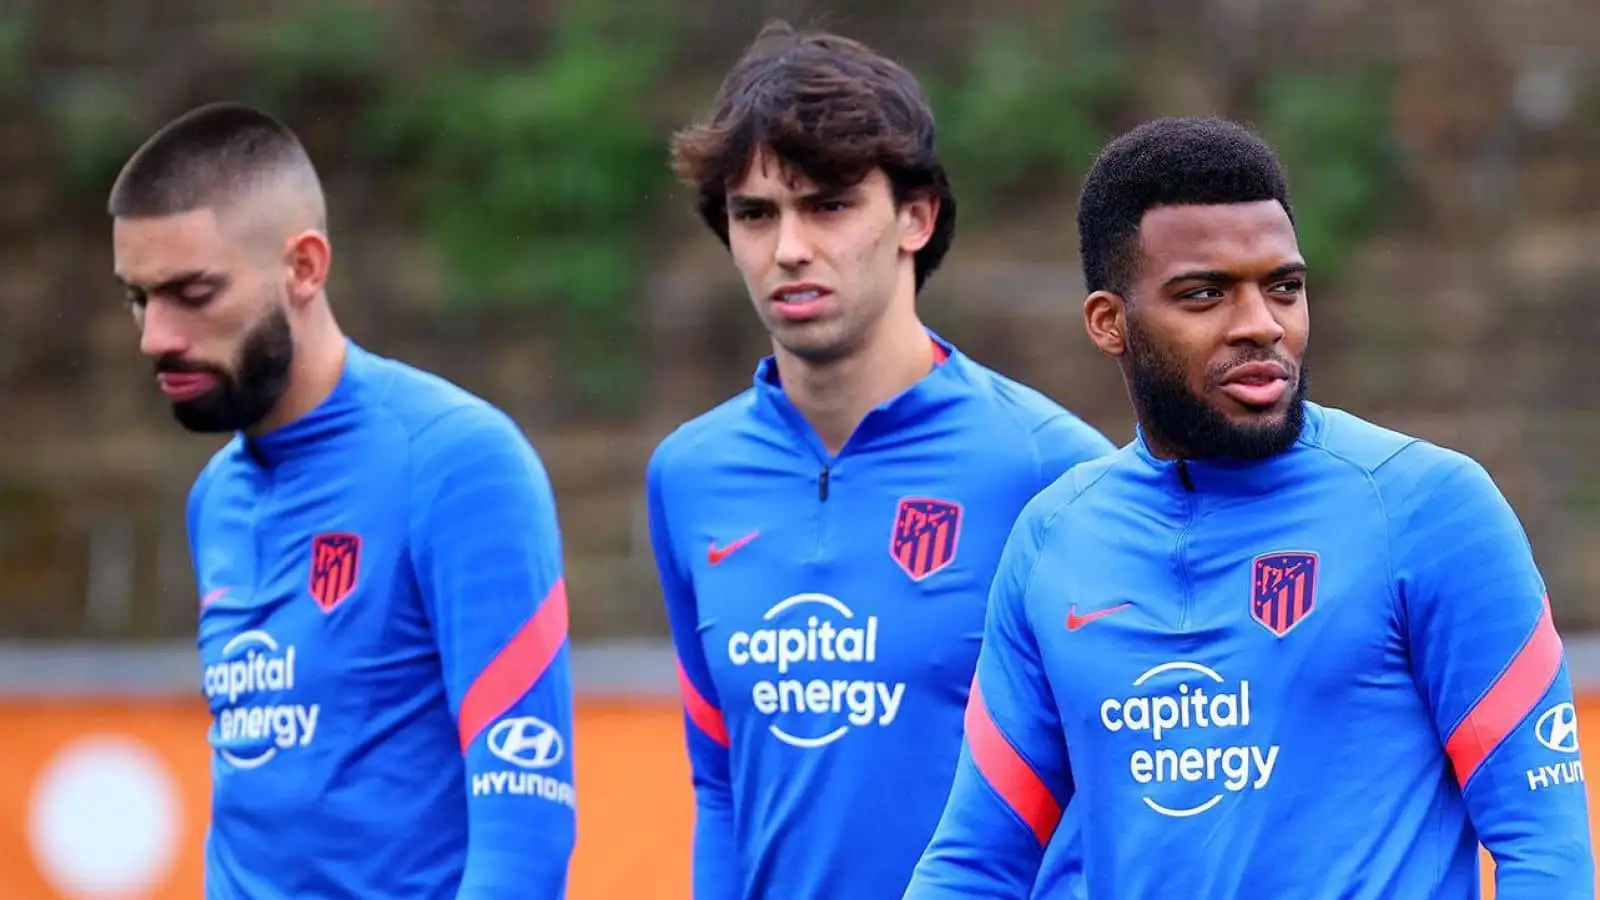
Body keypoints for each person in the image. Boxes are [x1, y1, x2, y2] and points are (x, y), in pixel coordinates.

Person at [904, 115, 1595, 898]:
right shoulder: (1054, 537)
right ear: (1110, 323)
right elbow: (976, 861)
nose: (1261, 325)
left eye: (1284, 288)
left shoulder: (1431, 510)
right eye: (1205, 295)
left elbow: (1546, 849)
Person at [645, 20, 1114, 900]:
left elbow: (1112, 786)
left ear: (915, 217)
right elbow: (718, 784)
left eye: (827, 205)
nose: (789, 248)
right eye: (756, 214)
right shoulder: (688, 475)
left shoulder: (1052, 468)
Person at [108, 102, 576, 899]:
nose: (156, 335)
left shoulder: (458, 463)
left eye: (193, 292)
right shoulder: (214, 498)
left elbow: (524, 834)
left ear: (304, 267)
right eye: (138, 298)